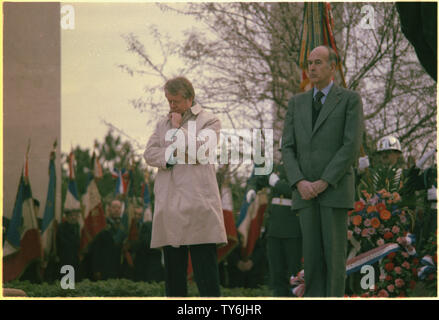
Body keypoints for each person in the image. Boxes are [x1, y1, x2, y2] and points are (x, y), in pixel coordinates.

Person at [281, 45, 364, 297]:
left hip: (334, 192)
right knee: (313, 261)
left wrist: (325, 181)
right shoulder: (296, 103)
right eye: (309, 63)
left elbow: (351, 146)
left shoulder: (350, 100)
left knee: (334, 259)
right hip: (305, 195)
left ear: (333, 67)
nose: (312, 68)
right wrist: (299, 182)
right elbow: (287, 147)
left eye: (318, 62)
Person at [143, 76, 227, 297]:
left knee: (206, 278)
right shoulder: (162, 123)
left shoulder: (210, 121)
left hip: (199, 207)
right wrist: (169, 157)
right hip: (171, 207)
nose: (172, 106)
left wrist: (178, 129)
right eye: (169, 101)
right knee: (174, 280)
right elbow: (149, 153)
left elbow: (202, 151)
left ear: (190, 99)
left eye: (176, 101)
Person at [245, 141, 302, 297]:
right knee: (276, 273)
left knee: (294, 273)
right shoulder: (275, 168)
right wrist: (251, 189)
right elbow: (256, 178)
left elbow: (300, 193)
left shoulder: (301, 168)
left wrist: (278, 184)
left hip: (293, 226)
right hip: (274, 227)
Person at [89, 199, 127, 280]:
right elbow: (96, 250)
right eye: (114, 207)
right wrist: (96, 269)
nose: (117, 210)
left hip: (119, 269)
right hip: (104, 268)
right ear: (109, 209)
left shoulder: (124, 227)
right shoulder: (102, 225)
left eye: (119, 208)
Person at [56, 208, 81, 279]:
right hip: (65, 260)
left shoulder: (78, 227)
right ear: (66, 217)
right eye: (71, 215)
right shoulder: (61, 228)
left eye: (76, 216)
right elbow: (64, 243)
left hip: (75, 261)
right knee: (66, 284)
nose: (74, 217)